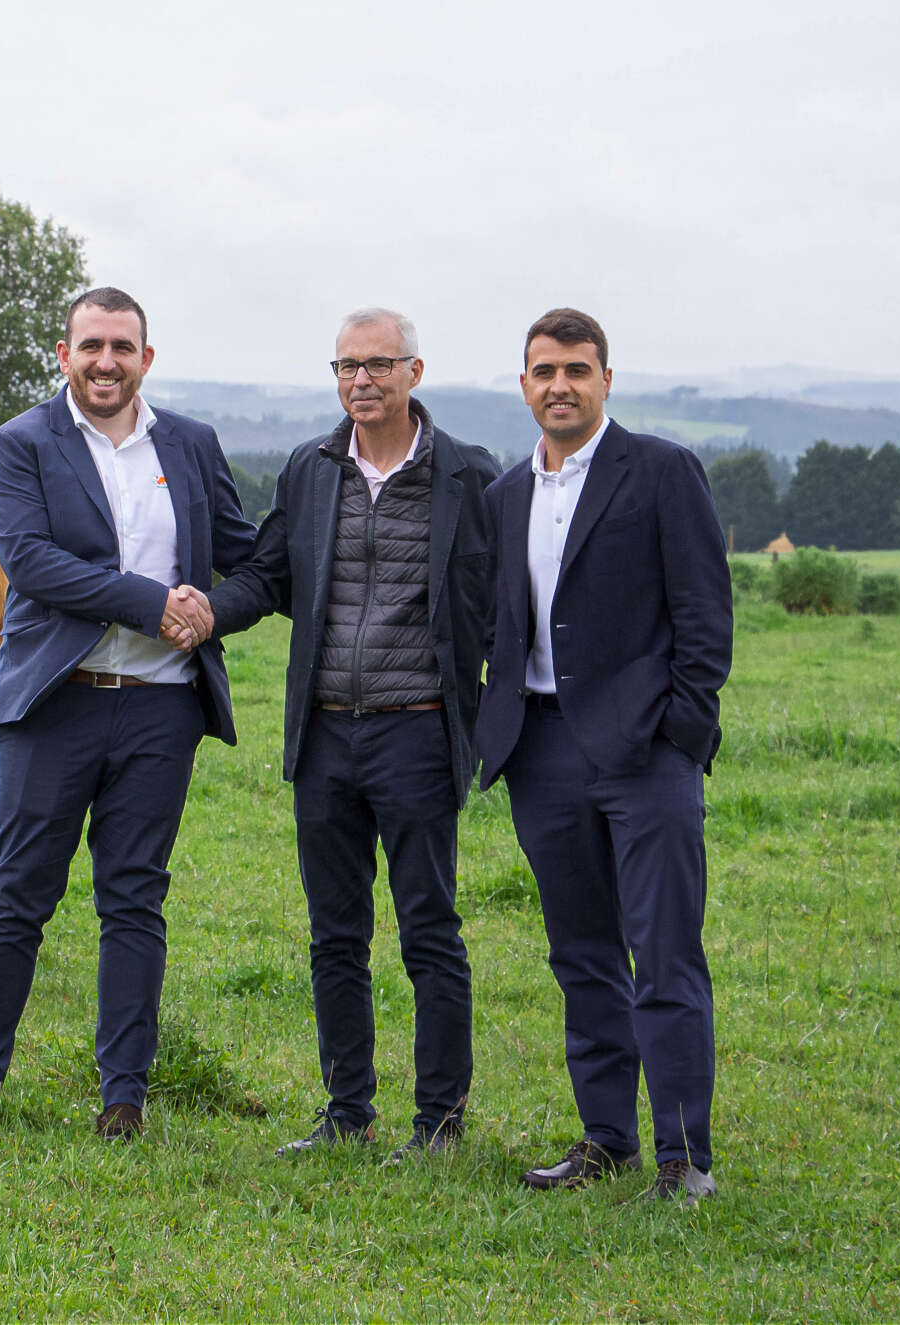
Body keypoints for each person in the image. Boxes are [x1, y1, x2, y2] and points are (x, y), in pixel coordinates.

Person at [0, 286, 257, 1141]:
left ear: (147, 357)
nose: (105, 360)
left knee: (134, 900)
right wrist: (155, 603)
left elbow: (248, 558)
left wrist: (217, 611)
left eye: (122, 345)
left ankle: (124, 1099)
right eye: (90, 345)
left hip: (160, 712)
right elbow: (32, 562)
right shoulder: (22, 442)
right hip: (54, 706)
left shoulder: (190, 444)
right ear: (64, 354)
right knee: (16, 897)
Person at [200, 307, 498, 1158]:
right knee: (335, 934)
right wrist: (203, 613)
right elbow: (268, 573)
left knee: (429, 930)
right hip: (325, 735)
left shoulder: (467, 476)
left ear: (415, 371)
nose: (360, 380)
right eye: (345, 366)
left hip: (419, 731)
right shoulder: (311, 469)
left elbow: (504, 600)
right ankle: (347, 1115)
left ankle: (439, 1122)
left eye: (378, 364)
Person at [475, 307, 733, 1204]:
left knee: (664, 953)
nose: (560, 385)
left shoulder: (661, 472)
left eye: (577, 369)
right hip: (540, 752)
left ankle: (683, 1156)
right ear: (523, 385)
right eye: (544, 370)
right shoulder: (506, 495)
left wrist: (681, 734)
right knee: (581, 954)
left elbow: (704, 616)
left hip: (646, 754)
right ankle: (608, 1138)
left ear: (606, 380)